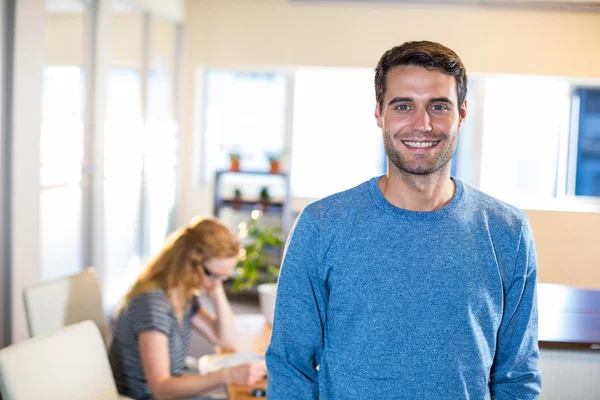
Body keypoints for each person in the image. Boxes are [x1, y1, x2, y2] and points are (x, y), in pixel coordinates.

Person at [266, 41, 542, 399]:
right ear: (379, 113)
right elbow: (290, 367)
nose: (422, 124)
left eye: (438, 106)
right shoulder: (322, 226)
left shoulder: (507, 231)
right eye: (403, 106)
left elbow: (517, 376)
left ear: (462, 113)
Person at [109, 216, 267, 400]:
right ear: (188, 261)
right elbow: (160, 389)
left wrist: (215, 288)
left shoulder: (181, 296)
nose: (216, 283)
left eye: (223, 277)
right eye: (213, 275)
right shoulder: (153, 305)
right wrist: (228, 375)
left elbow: (225, 340)